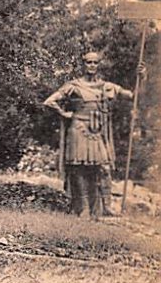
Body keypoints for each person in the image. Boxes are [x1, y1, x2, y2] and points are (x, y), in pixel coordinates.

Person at [43, 51, 144, 217]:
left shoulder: (107, 86)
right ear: (83, 64)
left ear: (99, 65)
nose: (91, 65)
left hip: (98, 132)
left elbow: (132, 96)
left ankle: (106, 206)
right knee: (78, 168)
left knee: (103, 167)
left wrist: (142, 79)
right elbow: (49, 101)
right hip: (79, 129)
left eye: (95, 62)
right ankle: (82, 208)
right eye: (88, 62)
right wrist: (64, 113)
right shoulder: (73, 86)